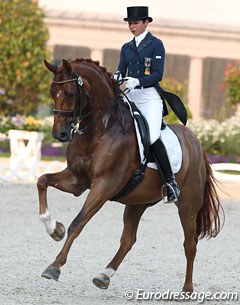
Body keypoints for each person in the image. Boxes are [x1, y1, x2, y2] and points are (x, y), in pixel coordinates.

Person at [114, 6, 180, 203]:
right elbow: (120, 70)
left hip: (149, 96)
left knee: (151, 136)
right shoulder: (126, 47)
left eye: (135, 23)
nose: (132, 27)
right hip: (130, 95)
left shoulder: (156, 44)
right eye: (130, 23)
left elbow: (158, 74)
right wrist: (117, 77)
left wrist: (139, 81)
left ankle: (170, 183)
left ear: (145, 23)